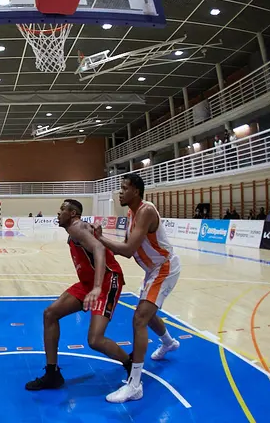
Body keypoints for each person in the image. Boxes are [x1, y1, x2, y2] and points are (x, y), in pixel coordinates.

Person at [94, 173, 181, 404]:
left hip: (165, 268)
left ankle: (134, 385)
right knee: (148, 315)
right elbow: (127, 249)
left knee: (139, 318)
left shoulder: (146, 211)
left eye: (124, 188)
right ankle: (169, 343)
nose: (120, 192)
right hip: (153, 271)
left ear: (136, 191)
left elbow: (127, 249)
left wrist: (101, 239)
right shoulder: (132, 213)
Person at [25, 199, 130, 391]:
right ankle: (52, 373)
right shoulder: (74, 231)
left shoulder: (77, 227)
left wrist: (97, 287)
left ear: (73, 213)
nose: (58, 213)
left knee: (95, 340)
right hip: (87, 284)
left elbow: (98, 249)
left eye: (62, 209)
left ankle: (130, 363)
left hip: (107, 280)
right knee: (50, 314)